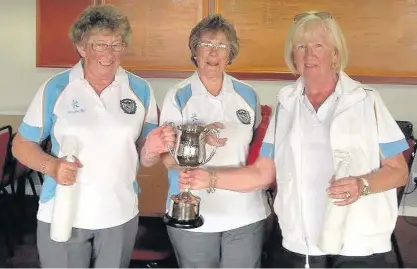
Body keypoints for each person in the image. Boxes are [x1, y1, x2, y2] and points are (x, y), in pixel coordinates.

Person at [179, 11, 409, 268]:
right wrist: (209, 178)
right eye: (301, 47)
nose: (309, 54)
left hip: (358, 243)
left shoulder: (367, 100)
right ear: (293, 56)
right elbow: (263, 173)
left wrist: (362, 184)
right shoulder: (286, 104)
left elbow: (398, 171)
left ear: (335, 54)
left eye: (318, 45)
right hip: (300, 244)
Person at [12, 5, 175, 268]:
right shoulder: (56, 87)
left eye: (117, 44)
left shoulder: (140, 89)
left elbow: (146, 157)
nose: (109, 54)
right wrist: (51, 166)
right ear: (82, 47)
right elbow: (21, 145)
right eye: (100, 45)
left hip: (119, 212)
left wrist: (154, 147)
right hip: (65, 210)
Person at [159, 14, 270, 268]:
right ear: (194, 50)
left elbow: (255, 150)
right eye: (206, 43)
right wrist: (195, 148)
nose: (214, 52)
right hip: (193, 211)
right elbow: (165, 157)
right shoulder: (178, 95)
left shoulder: (247, 95)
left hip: (244, 212)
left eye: (222, 46)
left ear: (231, 53)